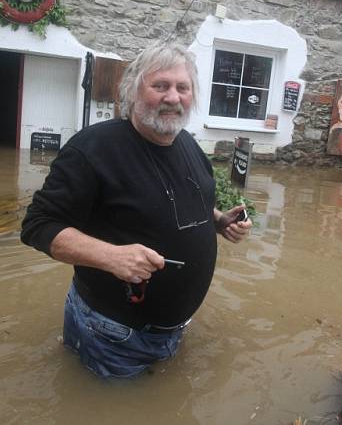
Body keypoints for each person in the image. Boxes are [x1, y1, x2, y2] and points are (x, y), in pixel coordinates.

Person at [20, 43, 252, 378]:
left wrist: (217, 221)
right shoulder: (92, 149)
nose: (173, 97)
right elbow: (38, 225)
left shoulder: (186, 143)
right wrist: (111, 257)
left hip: (173, 328)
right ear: (132, 91)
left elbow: (186, 197)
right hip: (112, 334)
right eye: (160, 86)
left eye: (182, 87)